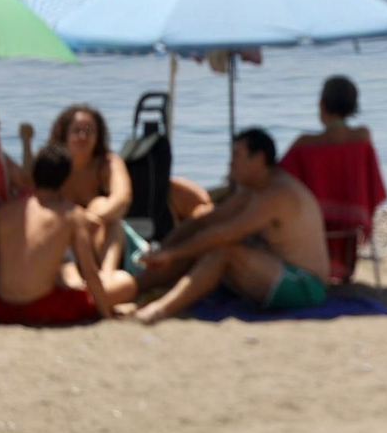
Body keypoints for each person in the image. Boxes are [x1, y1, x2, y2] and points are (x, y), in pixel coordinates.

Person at [131, 129, 331, 324]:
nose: (230, 163)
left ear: (259, 158)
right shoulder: (253, 190)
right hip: (271, 268)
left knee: (222, 251)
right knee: (198, 235)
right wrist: (163, 250)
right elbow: (207, 220)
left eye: (237, 155)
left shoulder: (277, 193)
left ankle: (161, 309)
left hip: (305, 284)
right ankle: (134, 287)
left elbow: (225, 234)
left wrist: (173, 254)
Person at [0, 145, 136, 326]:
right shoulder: (71, 214)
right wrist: (105, 314)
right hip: (43, 307)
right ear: (66, 178)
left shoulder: (4, 211)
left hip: (4, 309)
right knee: (125, 283)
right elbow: (90, 272)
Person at [41, 104, 132, 274]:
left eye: (89, 130)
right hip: (65, 242)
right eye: (76, 131)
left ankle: (106, 277)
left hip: (99, 242)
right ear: (64, 135)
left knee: (103, 207)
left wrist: (90, 217)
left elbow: (122, 198)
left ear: (98, 136)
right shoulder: (54, 164)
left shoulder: (107, 163)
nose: (83, 136)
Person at [285, 75, 371, 155]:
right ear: (354, 105)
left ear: (322, 104)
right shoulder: (362, 137)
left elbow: (277, 170)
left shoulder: (304, 144)